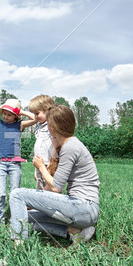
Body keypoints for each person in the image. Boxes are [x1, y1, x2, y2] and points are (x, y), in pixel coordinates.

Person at [9, 105, 100, 246]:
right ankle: (75, 232)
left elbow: (57, 187)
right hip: (80, 209)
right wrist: (34, 203)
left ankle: (17, 251)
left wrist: (40, 166)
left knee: (16, 194)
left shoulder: (70, 147)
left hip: (84, 207)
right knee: (23, 217)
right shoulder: (66, 145)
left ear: (53, 127)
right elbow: (50, 189)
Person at [0, 99, 37, 222]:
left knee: (14, 194)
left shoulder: (20, 125)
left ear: (16, 115)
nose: (5, 116)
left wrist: (21, 111)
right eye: (4, 113)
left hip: (14, 164)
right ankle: (0, 221)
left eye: (9, 114)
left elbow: (36, 118)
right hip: (0, 163)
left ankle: (15, 220)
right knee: (0, 194)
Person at [28, 94, 55, 190]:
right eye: (33, 114)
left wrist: (52, 165)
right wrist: (36, 169)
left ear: (47, 110)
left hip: (49, 164)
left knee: (50, 192)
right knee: (40, 191)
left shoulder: (52, 125)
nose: (35, 117)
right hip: (39, 164)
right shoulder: (39, 125)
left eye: (37, 113)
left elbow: (56, 147)